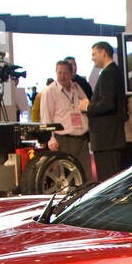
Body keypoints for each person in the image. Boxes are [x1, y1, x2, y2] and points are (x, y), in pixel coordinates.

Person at [40, 59, 92, 187]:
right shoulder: (50, 91)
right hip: (63, 139)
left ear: (71, 74)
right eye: (59, 73)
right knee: (64, 177)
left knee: (85, 176)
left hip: (81, 138)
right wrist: (50, 139)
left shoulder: (77, 88)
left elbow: (86, 106)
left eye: (65, 73)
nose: (62, 76)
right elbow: (46, 116)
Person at [81, 41, 125, 182]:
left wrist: (87, 107)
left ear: (103, 53)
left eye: (94, 54)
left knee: (108, 181)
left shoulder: (109, 73)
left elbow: (107, 104)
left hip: (106, 139)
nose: (92, 58)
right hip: (109, 138)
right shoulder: (113, 72)